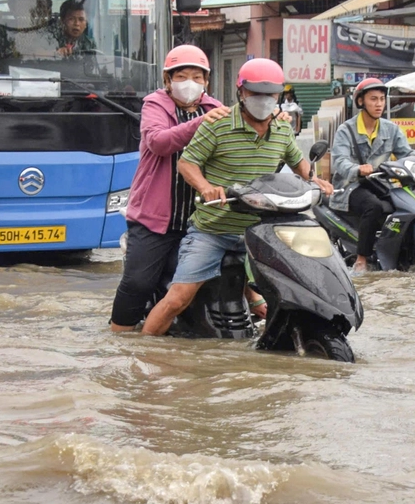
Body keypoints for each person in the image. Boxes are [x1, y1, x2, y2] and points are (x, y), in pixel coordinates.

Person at [140, 58, 334, 336]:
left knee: (295, 289)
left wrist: (315, 180)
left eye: (270, 94)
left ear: (279, 95)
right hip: (212, 230)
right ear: (241, 92)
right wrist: (206, 187)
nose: (263, 100)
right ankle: (143, 351)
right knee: (178, 299)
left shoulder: (282, 129)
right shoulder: (217, 125)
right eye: (255, 93)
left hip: (261, 232)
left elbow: (298, 163)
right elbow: (187, 163)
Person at [109, 45, 230, 332]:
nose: (190, 83)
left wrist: (275, 121)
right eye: (182, 76)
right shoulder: (155, 105)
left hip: (199, 218)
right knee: (138, 282)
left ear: (206, 81)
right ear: (168, 80)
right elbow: (158, 142)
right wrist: (199, 123)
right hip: (154, 218)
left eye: (197, 77)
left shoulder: (215, 109)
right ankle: (119, 335)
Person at [330, 78, 415, 274]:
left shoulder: (391, 129)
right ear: (361, 101)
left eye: (382, 99)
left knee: (406, 203)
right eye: (373, 99)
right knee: (374, 206)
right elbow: (340, 161)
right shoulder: (346, 130)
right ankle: (361, 259)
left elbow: (407, 154)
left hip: (379, 184)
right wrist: (357, 169)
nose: (379, 104)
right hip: (350, 186)